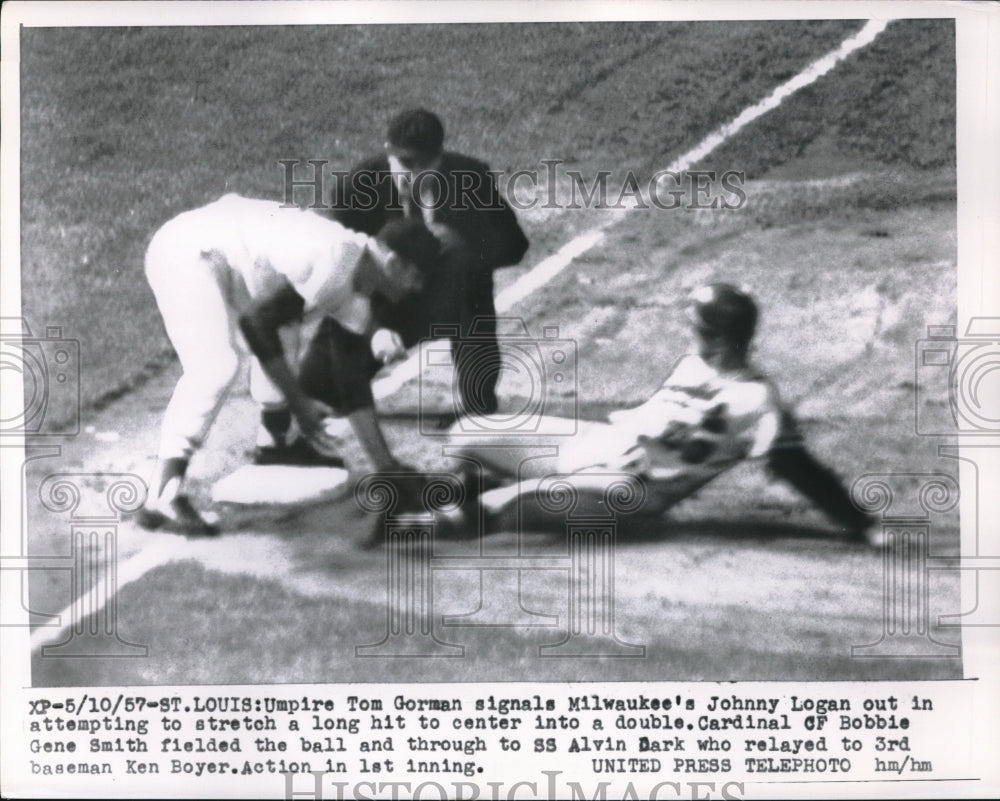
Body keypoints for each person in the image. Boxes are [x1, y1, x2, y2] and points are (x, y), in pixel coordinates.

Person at [442, 283, 879, 545]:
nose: (688, 331)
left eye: (697, 326)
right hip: (601, 445)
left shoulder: (758, 402)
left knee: (513, 502)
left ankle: (419, 524)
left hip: (632, 489)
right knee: (465, 434)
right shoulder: (694, 363)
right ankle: (469, 493)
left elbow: (799, 468)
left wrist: (861, 525)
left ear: (722, 340)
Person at [137, 193, 440, 535]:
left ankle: (278, 441)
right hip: (189, 252)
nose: (417, 288)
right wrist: (300, 402)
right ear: (395, 264)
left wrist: (386, 467)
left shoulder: (357, 273)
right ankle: (163, 493)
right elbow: (255, 324)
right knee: (217, 366)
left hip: (224, 253)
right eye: (416, 277)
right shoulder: (334, 259)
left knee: (286, 330)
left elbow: (349, 375)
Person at [304, 108, 529, 430]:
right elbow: (340, 271)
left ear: (441, 156)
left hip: (448, 294)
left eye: (427, 164)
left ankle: (478, 400)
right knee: (318, 385)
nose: (416, 174)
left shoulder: (470, 178)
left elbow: (514, 245)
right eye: (406, 164)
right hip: (385, 302)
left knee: (471, 277)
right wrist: (374, 328)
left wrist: (462, 248)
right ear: (388, 153)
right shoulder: (355, 189)